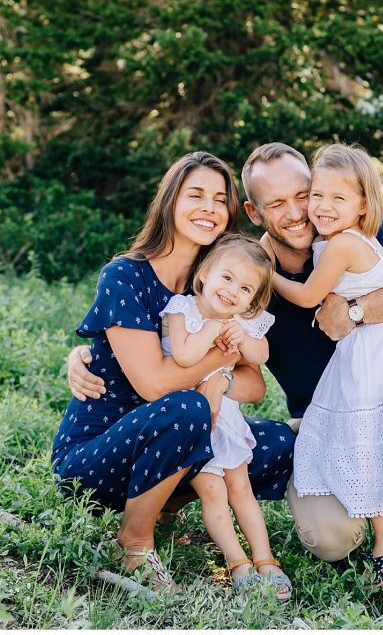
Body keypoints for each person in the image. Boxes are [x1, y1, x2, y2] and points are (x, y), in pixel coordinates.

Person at [68, 143, 383, 607]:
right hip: (322, 426)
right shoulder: (247, 276)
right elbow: (164, 336)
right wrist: (91, 354)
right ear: (255, 213)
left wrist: (358, 311)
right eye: (277, 204)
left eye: (305, 194)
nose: (302, 212)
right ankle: (151, 527)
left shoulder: (356, 226)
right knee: (329, 538)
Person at [52, 151, 294, 594]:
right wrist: (218, 366)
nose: (209, 208)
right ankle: (135, 541)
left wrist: (220, 379)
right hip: (97, 459)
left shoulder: (223, 284)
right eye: (195, 194)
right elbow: (155, 384)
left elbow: (255, 385)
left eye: (220, 199)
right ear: (170, 201)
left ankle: (162, 504)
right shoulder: (126, 276)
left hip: (177, 434)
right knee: (187, 408)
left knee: (280, 443)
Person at [260, 143, 383, 588]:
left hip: (370, 347)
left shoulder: (341, 243)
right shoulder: (330, 238)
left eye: (336, 198)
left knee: (356, 425)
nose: (314, 208)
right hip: (366, 348)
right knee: (348, 427)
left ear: (363, 206)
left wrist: (264, 270)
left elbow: (306, 297)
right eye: (318, 195)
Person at [160, 232, 292, 599]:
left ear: (252, 301)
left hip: (227, 418)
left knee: (241, 489)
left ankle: (266, 559)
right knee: (214, 491)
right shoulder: (182, 309)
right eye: (227, 277)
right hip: (190, 422)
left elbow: (261, 353)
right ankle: (238, 563)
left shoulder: (239, 321)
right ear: (204, 273)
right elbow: (185, 356)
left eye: (246, 289)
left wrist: (241, 337)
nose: (233, 291)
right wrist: (215, 329)